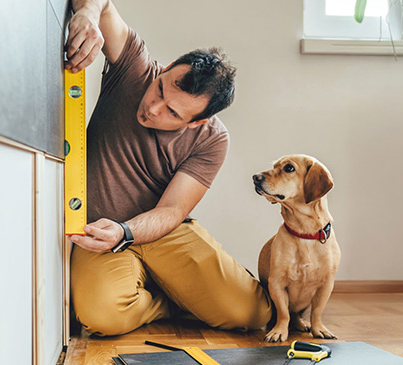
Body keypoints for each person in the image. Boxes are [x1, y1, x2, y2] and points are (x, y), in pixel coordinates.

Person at [66, 0, 272, 336]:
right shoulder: (134, 68)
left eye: (173, 113)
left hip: (162, 231)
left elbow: (173, 210)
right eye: (161, 89)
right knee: (102, 317)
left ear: (196, 122)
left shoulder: (212, 139)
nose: (153, 108)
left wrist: (127, 231)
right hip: (100, 231)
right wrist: (87, 14)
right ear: (169, 67)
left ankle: (178, 292)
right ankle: (171, 300)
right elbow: (101, 4)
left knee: (252, 313)